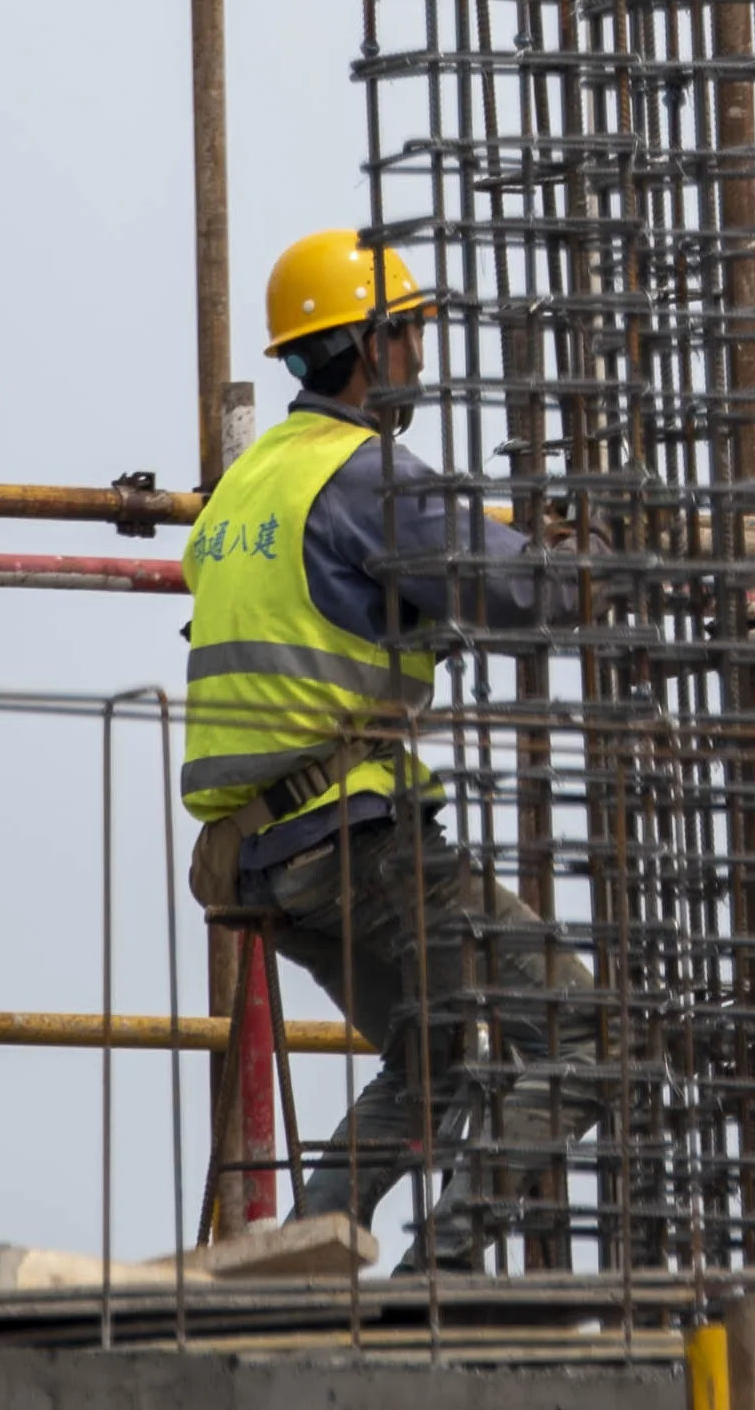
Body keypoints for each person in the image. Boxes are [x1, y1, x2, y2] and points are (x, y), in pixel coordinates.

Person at [181, 227, 602, 1275]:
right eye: (410, 332)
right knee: (595, 1038)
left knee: (431, 1064)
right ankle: (439, 1277)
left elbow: (323, 617)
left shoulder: (248, 483)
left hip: (261, 855)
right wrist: (598, 550)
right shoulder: (366, 475)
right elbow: (523, 593)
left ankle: (289, 1278)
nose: (420, 351)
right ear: (370, 345)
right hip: (361, 842)